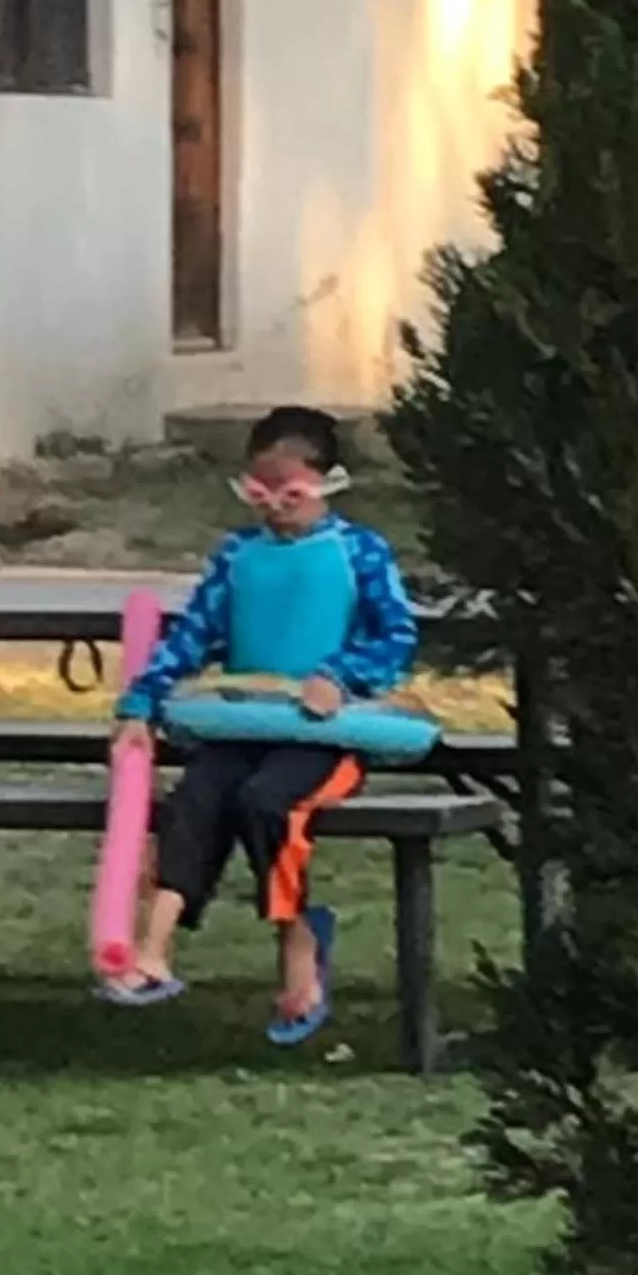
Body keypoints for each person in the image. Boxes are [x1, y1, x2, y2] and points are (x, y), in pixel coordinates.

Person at [104, 405, 417, 1045]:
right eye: (259, 493)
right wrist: (139, 707)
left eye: (292, 494)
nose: (275, 507)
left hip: (324, 738)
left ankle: (298, 937)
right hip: (243, 726)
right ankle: (152, 951)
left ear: (327, 484)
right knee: (196, 799)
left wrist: (341, 675)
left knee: (268, 802)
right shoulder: (235, 556)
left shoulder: (360, 552)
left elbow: (397, 637)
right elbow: (190, 638)